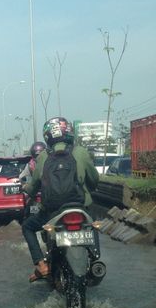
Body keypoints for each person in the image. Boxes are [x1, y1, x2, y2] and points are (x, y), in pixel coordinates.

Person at [22, 117, 99, 282]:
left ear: (48, 135)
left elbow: (34, 185)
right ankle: (95, 258)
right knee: (92, 223)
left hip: (51, 211)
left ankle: (41, 265)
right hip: (80, 207)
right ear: (69, 132)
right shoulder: (81, 152)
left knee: (27, 227)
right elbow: (94, 181)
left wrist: (26, 188)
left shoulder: (42, 156)